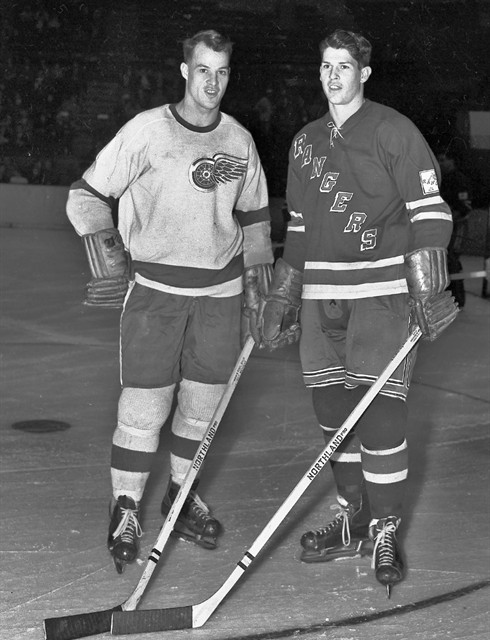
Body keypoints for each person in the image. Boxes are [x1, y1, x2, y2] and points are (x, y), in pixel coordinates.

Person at [258, 30, 458, 596]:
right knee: (330, 412)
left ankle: (387, 525)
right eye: (325, 66)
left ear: (364, 73)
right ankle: (353, 514)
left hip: (383, 294)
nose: (333, 76)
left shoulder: (395, 131)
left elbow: (430, 213)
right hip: (323, 295)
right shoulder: (302, 144)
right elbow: (297, 229)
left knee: (379, 416)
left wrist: (424, 288)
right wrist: (282, 295)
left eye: (344, 66)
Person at [66, 30, 274, 573]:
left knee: (202, 409)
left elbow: (254, 219)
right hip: (155, 293)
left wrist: (259, 284)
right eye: (202, 70)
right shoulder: (147, 131)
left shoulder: (239, 140)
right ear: (184, 71)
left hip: (221, 295)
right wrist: (105, 243)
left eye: (222, 72)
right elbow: (87, 194)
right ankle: (126, 507)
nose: (212, 82)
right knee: (144, 409)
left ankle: (181, 499)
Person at [437, 150, 473, 308]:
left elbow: (465, 207)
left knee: (451, 260)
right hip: (443, 225)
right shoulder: (441, 179)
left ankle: (458, 298)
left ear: (452, 161)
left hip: (455, 225)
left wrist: (451, 216)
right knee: (444, 260)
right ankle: (449, 297)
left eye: (443, 160)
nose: (440, 163)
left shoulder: (459, 180)